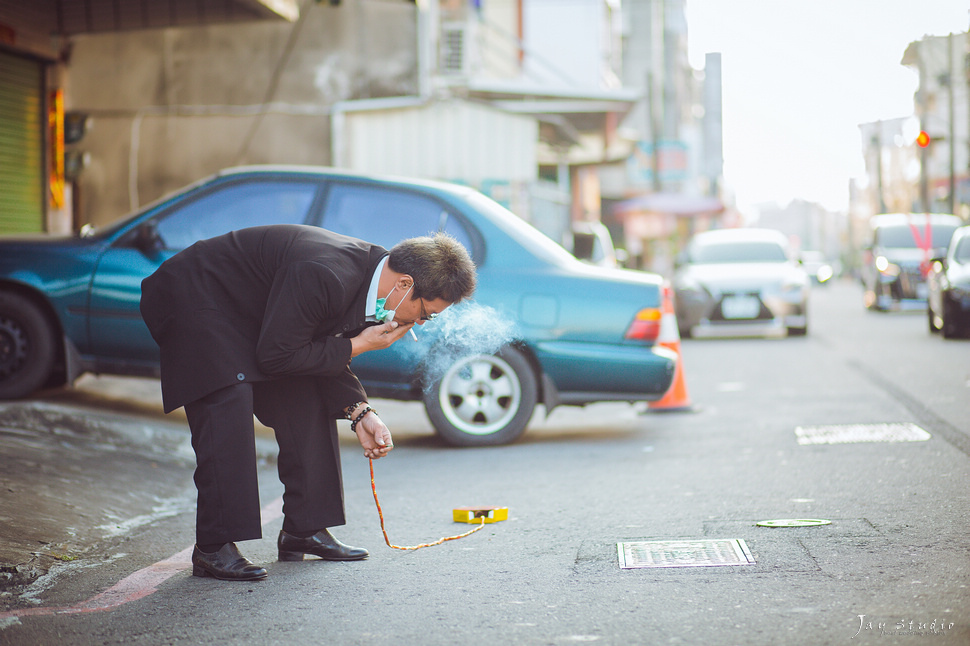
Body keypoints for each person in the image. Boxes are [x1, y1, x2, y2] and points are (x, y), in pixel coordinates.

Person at [140, 224, 477, 581]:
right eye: (427, 313)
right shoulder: (327, 274)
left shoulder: (371, 281)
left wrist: (360, 412)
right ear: (405, 284)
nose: (422, 322)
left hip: (257, 314)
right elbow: (278, 356)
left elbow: (315, 349)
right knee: (229, 396)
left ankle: (305, 528)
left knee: (304, 398)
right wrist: (359, 345)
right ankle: (214, 546)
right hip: (198, 296)